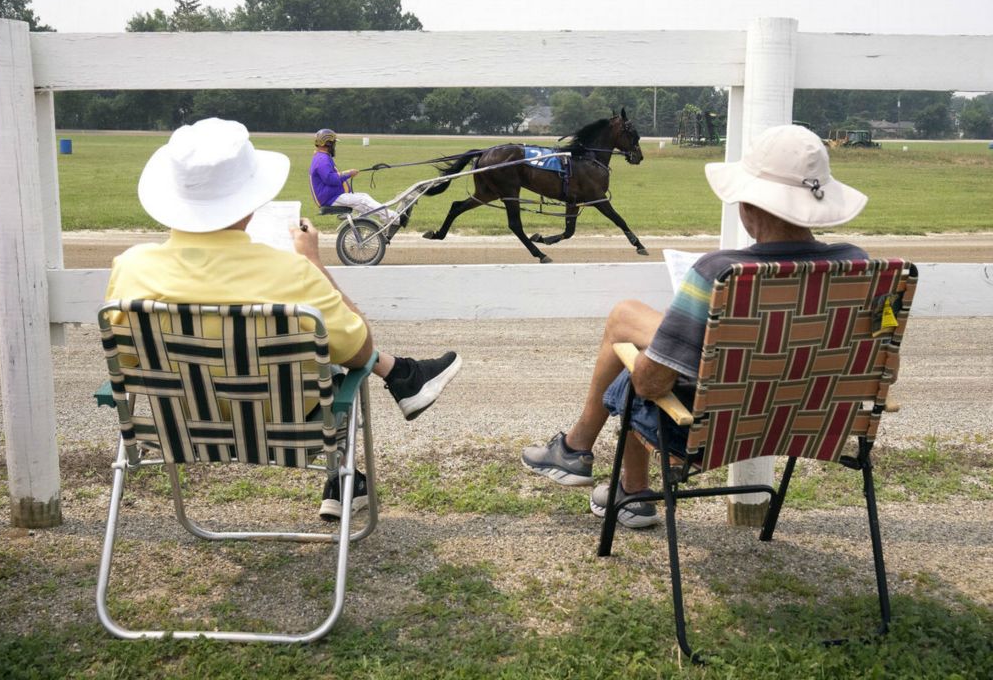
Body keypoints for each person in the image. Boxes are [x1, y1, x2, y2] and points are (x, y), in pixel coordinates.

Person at [106, 117, 462, 520]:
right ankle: (353, 457)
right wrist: (312, 262)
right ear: (252, 202)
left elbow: (127, 364)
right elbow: (360, 347)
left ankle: (362, 452)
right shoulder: (290, 274)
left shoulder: (131, 269)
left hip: (180, 425)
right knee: (329, 365)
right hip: (287, 425)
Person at [521, 124, 869, 528]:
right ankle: (606, 473)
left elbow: (651, 386)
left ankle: (609, 473)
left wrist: (657, 354)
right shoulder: (857, 266)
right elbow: (883, 371)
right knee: (631, 324)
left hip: (706, 431)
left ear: (747, 205)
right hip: (815, 422)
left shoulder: (719, 274)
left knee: (631, 375)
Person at [309, 128, 409, 238]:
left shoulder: (321, 157)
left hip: (331, 196)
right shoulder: (322, 159)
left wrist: (348, 173)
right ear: (328, 143)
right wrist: (348, 173)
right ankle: (396, 218)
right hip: (330, 198)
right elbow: (330, 179)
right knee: (363, 200)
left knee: (363, 197)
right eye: (333, 143)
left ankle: (387, 220)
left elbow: (331, 177)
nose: (334, 146)